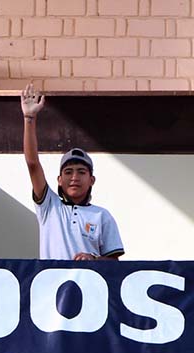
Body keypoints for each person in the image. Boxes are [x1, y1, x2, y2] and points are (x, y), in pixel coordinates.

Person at [20, 83, 125, 261]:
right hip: (52, 287)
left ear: (91, 180)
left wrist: (93, 259)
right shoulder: (49, 207)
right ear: (59, 180)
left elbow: (115, 264)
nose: (74, 177)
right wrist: (29, 118)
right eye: (68, 172)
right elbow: (32, 163)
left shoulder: (102, 216)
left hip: (88, 288)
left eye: (81, 172)